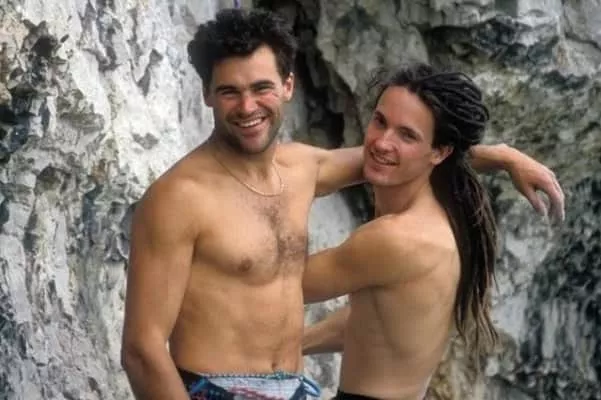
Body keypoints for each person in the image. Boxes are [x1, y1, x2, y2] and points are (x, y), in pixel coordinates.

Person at [120, 8, 565, 400]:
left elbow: (399, 159)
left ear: (288, 86)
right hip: (216, 390)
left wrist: (503, 156)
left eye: (261, 87)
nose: (247, 106)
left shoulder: (302, 167)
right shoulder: (180, 198)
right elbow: (142, 350)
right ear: (206, 94)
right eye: (229, 91)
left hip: (293, 387)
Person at [301, 64, 529, 399]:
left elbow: (278, 286)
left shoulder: (395, 239)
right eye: (380, 121)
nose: (382, 142)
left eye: (407, 135)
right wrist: (298, 342)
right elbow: (377, 323)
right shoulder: (442, 217)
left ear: (440, 152)